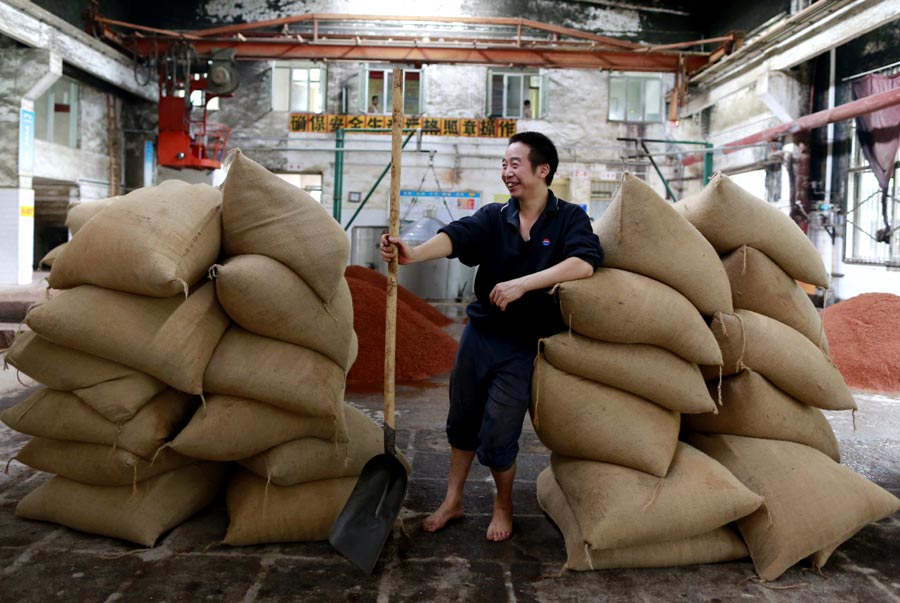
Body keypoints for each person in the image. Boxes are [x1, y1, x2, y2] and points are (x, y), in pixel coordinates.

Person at [379, 131, 603, 542]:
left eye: (515, 164)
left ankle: (503, 504)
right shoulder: (495, 216)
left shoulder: (569, 217)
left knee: (500, 431)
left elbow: (584, 263)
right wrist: (413, 252)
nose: (507, 172)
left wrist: (524, 284)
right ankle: (453, 499)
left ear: (543, 169)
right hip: (479, 335)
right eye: (504, 164)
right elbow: (457, 236)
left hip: (523, 344)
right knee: (461, 420)